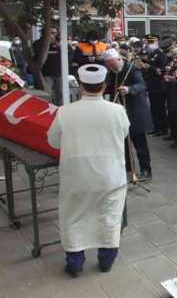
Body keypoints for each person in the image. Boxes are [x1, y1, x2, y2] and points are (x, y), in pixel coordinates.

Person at [47, 64, 130, 277]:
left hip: (77, 176)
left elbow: (53, 142)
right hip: (110, 175)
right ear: (103, 86)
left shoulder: (64, 112)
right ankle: (106, 262)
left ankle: (75, 263)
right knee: (109, 216)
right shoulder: (117, 110)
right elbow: (123, 134)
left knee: (73, 217)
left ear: (81, 86)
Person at [104, 48, 154, 181]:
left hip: (135, 112)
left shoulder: (132, 69)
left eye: (112, 64)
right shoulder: (113, 72)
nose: (111, 67)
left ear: (120, 60)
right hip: (120, 113)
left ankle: (146, 170)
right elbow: (108, 87)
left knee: (140, 145)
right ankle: (129, 170)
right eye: (108, 65)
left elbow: (142, 84)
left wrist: (129, 89)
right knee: (124, 146)